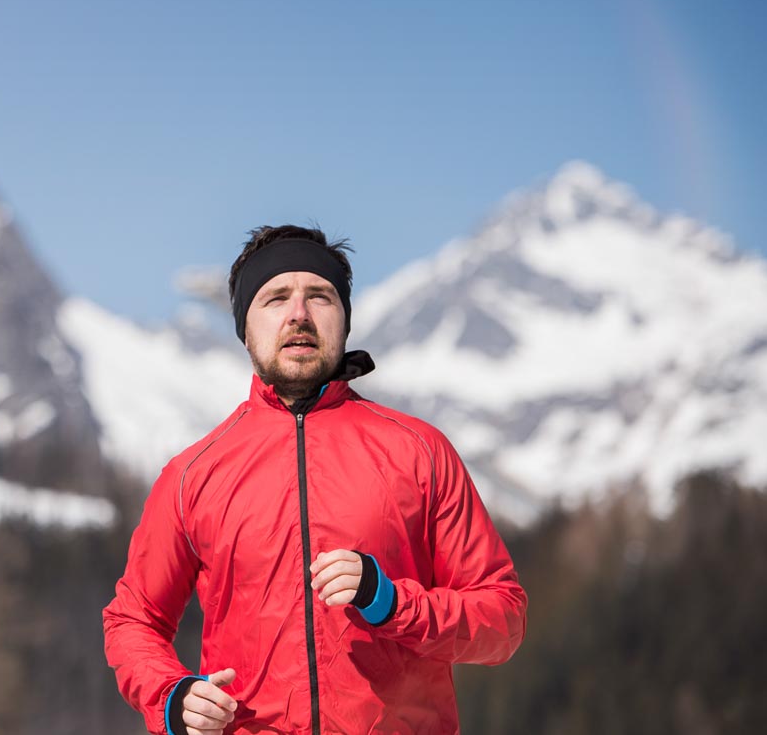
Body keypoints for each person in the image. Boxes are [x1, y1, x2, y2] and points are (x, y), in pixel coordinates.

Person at [102, 224, 526, 734]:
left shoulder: (420, 452)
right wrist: (172, 697)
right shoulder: (192, 475)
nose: (298, 313)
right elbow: (133, 620)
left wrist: (391, 601)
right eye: (276, 297)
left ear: (344, 320)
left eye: (319, 296)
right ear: (245, 327)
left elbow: (502, 619)